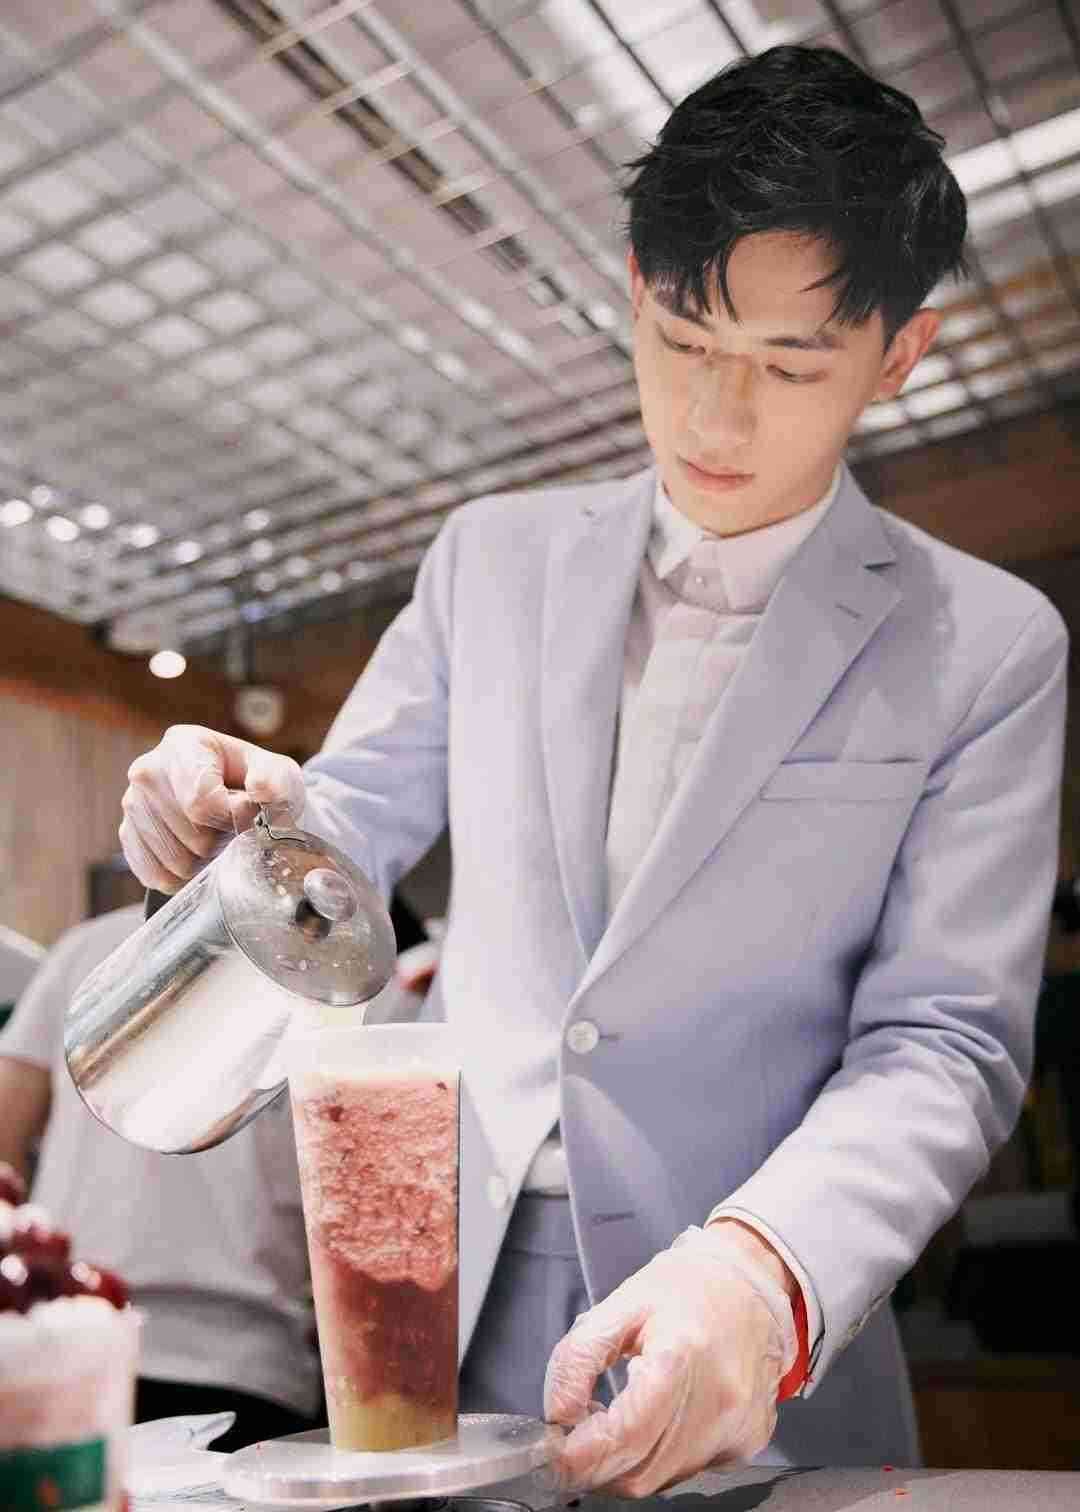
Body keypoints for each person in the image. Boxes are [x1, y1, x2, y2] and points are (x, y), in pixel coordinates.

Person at [115, 44, 1068, 1491]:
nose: (716, 418)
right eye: (684, 341)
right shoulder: (489, 563)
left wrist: (761, 1275)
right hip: (456, 1293)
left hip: (758, 1312)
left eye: (789, 365)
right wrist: (222, 815)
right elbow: (338, 836)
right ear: (633, 287)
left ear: (900, 354)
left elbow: (945, 1040)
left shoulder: (985, 646)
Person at [0, 905, 324, 1451]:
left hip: (84, 1343)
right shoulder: (337, 970)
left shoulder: (89, 947)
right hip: (226, 1360)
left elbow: (5, 1129)